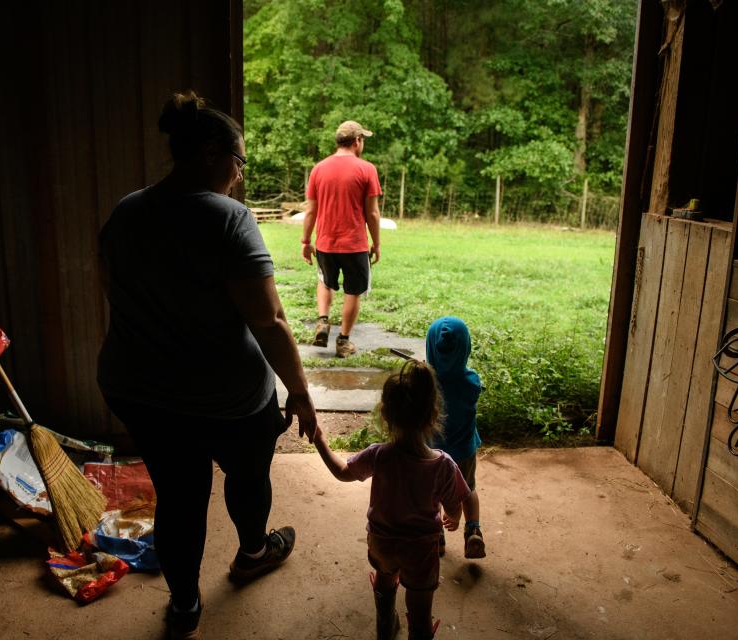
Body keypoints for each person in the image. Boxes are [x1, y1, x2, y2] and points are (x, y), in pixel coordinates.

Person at [97, 91, 318, 640]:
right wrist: (300, 391)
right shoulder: (228, 218)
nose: (240, 178)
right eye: (238, 163)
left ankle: (185, 604)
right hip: (229, 398)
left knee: (178, 494)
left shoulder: (126, 211)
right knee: (247, 476)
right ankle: (252, 552)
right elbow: (268, 322)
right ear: (212, 153)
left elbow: (117, 292)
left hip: (139, 389)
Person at [312, 360, 470, 640]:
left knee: (385, 579)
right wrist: (454, 517)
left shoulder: (379, 456)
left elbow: (342, 472)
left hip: (382, 542)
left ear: (385, 414)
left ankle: (385, 624)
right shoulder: (443, 465)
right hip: (421, 549)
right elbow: (455, 504)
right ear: (432, 415)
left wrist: (320, 438)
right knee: (420, 609)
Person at [302, 120, 382, 358]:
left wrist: (305, 242)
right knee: (353, 291)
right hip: (354, 245)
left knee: (325, 281)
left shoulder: (319, 168)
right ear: (357, 141)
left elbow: (310, 211)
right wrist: (376, 243)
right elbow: (373, 213)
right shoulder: (367, 169)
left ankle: (323, 321)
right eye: (363, 139)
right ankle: (343, 341)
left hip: (325, 243)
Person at [426, 316, 486, 560]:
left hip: (432, 453)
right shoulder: (471, 382)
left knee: (432, 495)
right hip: (463, 452)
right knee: (468, 490)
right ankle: (473, 530)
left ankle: (436, 535)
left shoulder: (426, 384)